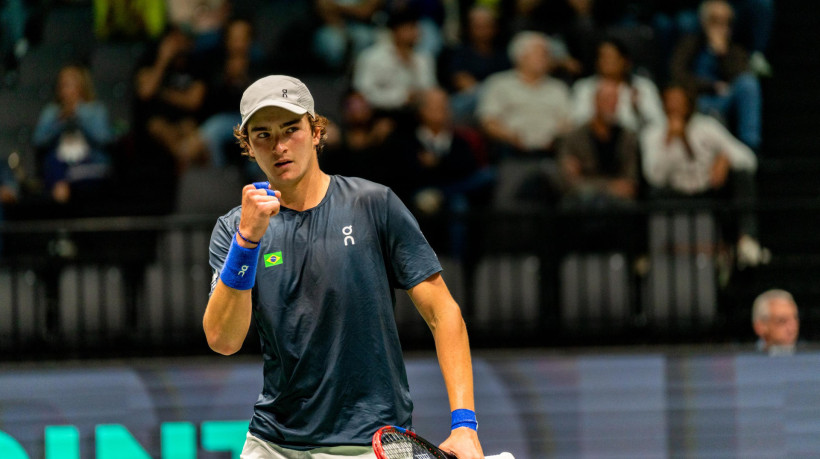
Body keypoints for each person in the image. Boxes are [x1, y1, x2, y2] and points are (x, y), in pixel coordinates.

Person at [202, 75, 484, 459]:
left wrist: (464, 425)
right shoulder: (234, 230)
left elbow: (443, 312)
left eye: (291, 129)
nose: (280, 146)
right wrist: (247, 242)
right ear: (248, 146)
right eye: (263, 135)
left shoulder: (373, 204)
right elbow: (223, 339)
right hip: (274, 443)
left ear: (317, 132)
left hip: (372, 442)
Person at [641, 84, 768, 268]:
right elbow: (655, 178)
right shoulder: (653, 134)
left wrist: (725, 158)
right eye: (670, 102)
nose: (674, 107)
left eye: (679, 102)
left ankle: (747, 240)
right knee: (652, 195)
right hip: (675, 197)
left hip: (709, 192)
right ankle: (649, 254)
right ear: (662, 105)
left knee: (742, 176)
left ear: (689, 104)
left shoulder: (707, 126)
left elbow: (749, 160)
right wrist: (669, 142)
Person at [669, 0, 762, 151]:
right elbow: (677, 74)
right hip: (698, 98)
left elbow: (740, 76)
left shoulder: (734, 48)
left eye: (726, 22)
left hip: (726, 97)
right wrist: (710, 86)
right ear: (704, 22)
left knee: (749, 84)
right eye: (715, 21)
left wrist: (722, 54)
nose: (721, 27)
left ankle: (750, 146)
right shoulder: (690, 43)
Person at [476, 30, 572, 160]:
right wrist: (510, 137)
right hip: (512, 153)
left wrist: (555, 139)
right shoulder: (498, 84)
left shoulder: (558, 88)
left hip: (551, 154)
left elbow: (568, 122)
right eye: (540, 53)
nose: (545, 58)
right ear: (520, 56)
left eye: (546, 54)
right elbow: (488, 122)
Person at [32, 64, 114, 209]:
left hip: (90, 162)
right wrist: (59, 121)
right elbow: (38, 141)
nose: (66, 89)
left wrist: (79, 113)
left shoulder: (95, 110)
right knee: (53, 163)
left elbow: (105, 139)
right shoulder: (51, 112)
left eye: (70, 84)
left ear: (81, 85)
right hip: (60, 165)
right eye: (62, 84)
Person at [351, 6, 437, 115]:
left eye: (416, 27)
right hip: (380, 113)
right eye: (410, 27)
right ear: (396, 31)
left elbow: (429, 90)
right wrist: (401, 97)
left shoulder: (423, 58)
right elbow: (362, 94)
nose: (415, 32)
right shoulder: (372, 57)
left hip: (415, 113)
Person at [570, 37, 665, 135]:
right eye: (602, 57)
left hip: (634, 143)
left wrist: (637, 109)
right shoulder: (584, 87)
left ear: (625, 61)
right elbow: (576, 122)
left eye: (611, 57)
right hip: (594, 143)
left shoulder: (643, 87)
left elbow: (658, 123)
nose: (606, 61)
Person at [752, 289, 800, 356]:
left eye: (795, 319)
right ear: (760, 327)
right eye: (782, 321)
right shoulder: (743, 361)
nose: (792, 329)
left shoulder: (809, 357)